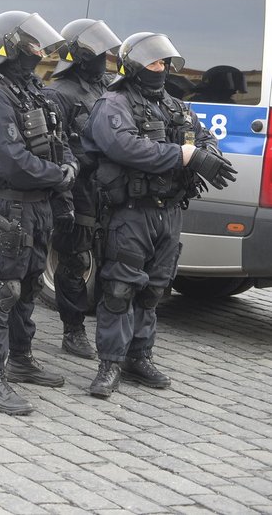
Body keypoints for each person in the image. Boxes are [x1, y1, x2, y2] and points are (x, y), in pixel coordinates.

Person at [82, 32, 236, 398]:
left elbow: (202, 136)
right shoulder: (114, 103)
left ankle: (139, 357)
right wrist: (185, 156)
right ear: (133, 66)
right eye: (153, 63)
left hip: (170, 212)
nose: (161, 69)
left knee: (153, 290)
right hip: (131, 212)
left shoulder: (175, 105)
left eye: (165, 63)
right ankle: (110, 364)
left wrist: (208, 153)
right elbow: (126, 147)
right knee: (120, 288)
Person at [0, 10, 74, 415]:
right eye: (33, 44)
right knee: (2, 291)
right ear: (11, 48)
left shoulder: (29, 90)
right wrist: (57, 176)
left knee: (28, 286)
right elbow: (9, 159)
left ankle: (22, 359)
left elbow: (60, 141)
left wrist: (69, 168)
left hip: (39, 205)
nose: (40, 51)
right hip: (9, 204)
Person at [40, 19, 122, 360]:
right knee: (74, 261)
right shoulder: (59, 92)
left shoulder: (107, 86)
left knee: (111, 260)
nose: (104, 59)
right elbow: (54, 147)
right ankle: (73, 329)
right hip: (79, 186)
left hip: (109, 188)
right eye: (97, 53)